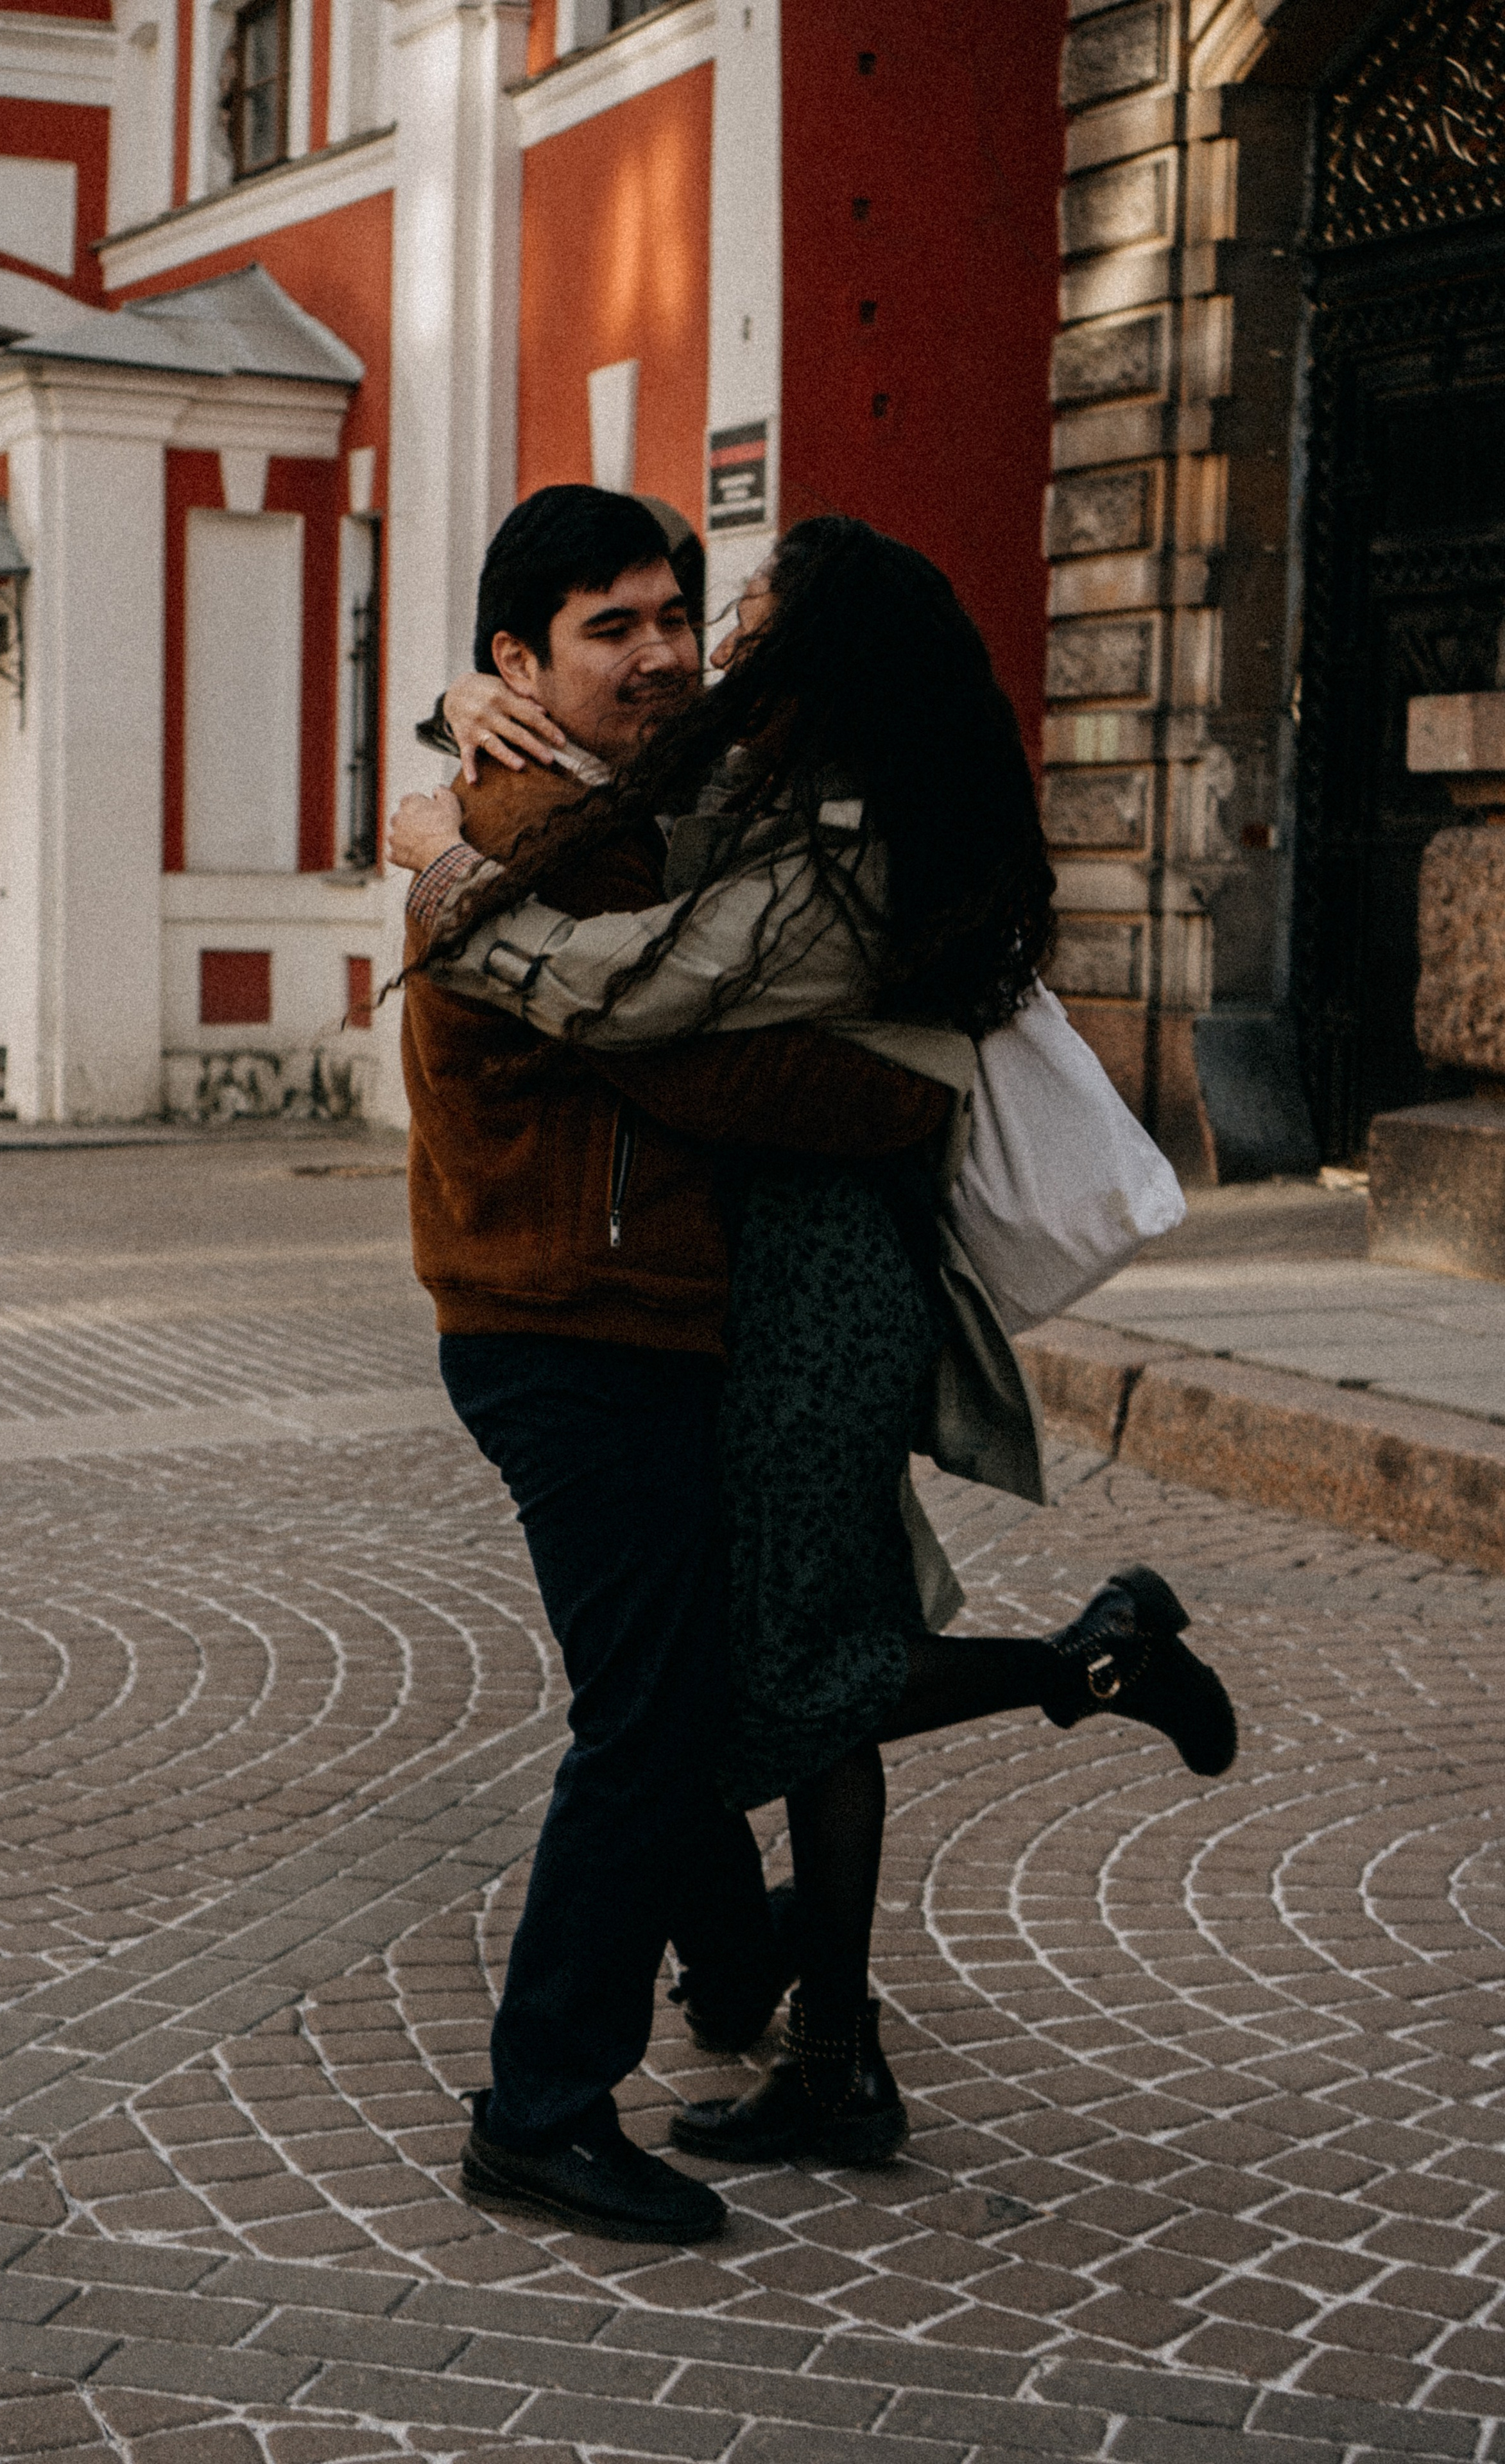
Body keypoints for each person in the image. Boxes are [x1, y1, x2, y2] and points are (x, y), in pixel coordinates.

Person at [393, 513, 1239, 2168]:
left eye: (726, 623)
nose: (695, 653)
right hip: (721, 1282)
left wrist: (445, 870)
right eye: (641, 626)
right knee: (764, 1661)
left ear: (812, 661)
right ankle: (807, 2022)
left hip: (812, 1282)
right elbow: (585, 782)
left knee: (777, 1669)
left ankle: (1072, 1682)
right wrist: (452, 716)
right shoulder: (763, 787)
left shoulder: (832, 834)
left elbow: (642, 1009)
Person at [395, 486, 957, 2241]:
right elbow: (711, 1071)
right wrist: (906, 1090)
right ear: (520, 659)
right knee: (645, 1723)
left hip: (608, 1317)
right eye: (607, 629)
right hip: (576, 1325)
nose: (656, 655)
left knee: (685, 1680)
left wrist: (430, 726)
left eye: (668, 617)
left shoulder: (589, 800)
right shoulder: (554, 835)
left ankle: (732, 1961)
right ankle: (541, 2104)